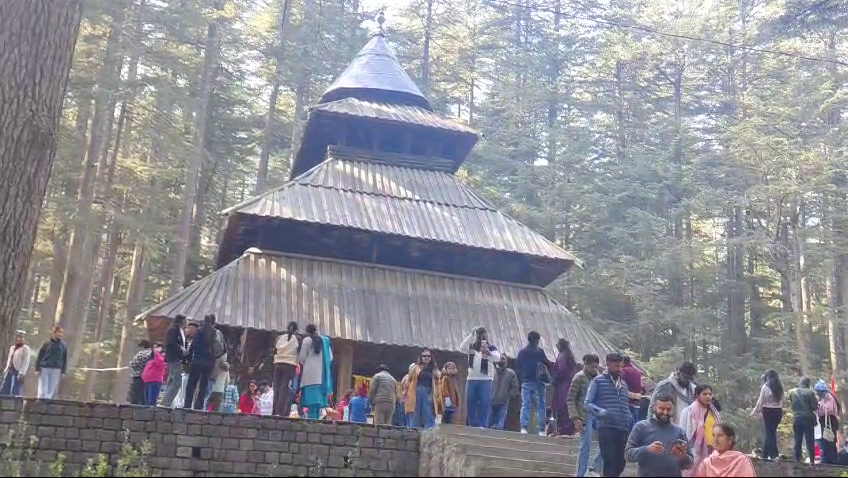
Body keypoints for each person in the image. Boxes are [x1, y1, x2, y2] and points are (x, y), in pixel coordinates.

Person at [585, 352, 632, 478]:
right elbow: (587, 403)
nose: (620, 369)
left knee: (621, 463)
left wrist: (628, 418)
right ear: (608, 364)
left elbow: (626, 404)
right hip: (606, 427)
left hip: (622, 428)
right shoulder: (597, 381)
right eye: (616, 366)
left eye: (621, 366)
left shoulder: (624, 384)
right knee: (609, 461)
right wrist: (600, 412)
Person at [625, 395, 693, 477]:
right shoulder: (641, 427)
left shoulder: (680, 431)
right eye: (661, 409)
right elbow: (628, 455)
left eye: (669, 409)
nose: (665, 412)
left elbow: (690, 464)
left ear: (673, 410)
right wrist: (646, 449)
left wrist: (683, 457)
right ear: (654, 408)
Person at [568, 354, 603, 477]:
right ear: (586, 365)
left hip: (597, 416)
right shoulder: (579, 378)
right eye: (592, 366)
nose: (594, 368)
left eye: (596, 366)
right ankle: (580, 474)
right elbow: (570, 399)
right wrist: (575, 418)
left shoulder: (599, 378)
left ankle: (593, 468)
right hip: (584, 416)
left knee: (606, 443)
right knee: (586, 446)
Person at [460, 327, 501, 427]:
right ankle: (472, 424)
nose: (481, 337)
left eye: (483, 335)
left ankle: (483, 424)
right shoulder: (471, 347)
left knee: (484, 403)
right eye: (479, 335)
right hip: (471, 379)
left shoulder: (491, 347)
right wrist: (471, 334)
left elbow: (497, 358)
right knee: (470, 403)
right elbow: (462, 347)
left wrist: (489, 353)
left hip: (485, 380)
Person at [679, 384, 721, 476]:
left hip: (712, 449)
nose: (708, 396)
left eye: (710, 394)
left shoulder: (714, 413)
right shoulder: (688, 411)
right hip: (694, 450)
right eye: (704, 394)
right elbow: (682, 431)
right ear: (697, 395)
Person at [516, 331, 550, 435]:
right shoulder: (539, 352)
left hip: (526, 381)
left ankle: (524, 427)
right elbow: (547, 364)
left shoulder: (522, 352)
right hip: (538, 382)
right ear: (536, 340)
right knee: (541, 405)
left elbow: (518, 366)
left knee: (525, 405)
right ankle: (541, 429)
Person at [298, 324, 333, 420]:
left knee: (311, 404)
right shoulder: (325, 341)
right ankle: (316, 420)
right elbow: (330, 358)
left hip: (309, 377)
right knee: (318, 404)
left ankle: (311, 421)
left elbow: (301, 358)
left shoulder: (307, 341)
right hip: (322, 378)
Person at [183, 315, 216, 409]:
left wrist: (188, 358)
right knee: (203, 385)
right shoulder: (214, 332)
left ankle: (187, 404)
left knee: (191, 383)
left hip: (198, 360)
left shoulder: (200, 331)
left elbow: (194, 345)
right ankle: (199, 405)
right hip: (209, 362)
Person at [750, 369, 783, 460]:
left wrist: (755, 411)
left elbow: (761, 401)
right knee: (770, 432)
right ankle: (765, 454)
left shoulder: (766, 387)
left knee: (770, 433)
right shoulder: (780, 387)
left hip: (768, 411)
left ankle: (774, 455)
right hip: (778, 411)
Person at [405, 349, 442, 428]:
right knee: (415, 412)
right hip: (416, 391)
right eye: (424, 356)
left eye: (429, 356)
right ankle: (414, 429)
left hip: (429, 392)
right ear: (421, 357)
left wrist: (437, 396)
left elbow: (438, 384)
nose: (427, 358)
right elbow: (409, 381)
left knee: (428, 412)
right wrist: (405, 393)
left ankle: (430, 431)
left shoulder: (434, 370)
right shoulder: (416, 368)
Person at [789, 376, 818, 464]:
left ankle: (797, 459)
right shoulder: (810, 393)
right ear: (808, 384)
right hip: (808, 419)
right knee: (810, 440)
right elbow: (814, 407)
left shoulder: (792, 392)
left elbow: (792, 404)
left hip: (797, 418)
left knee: (798, 440)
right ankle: (812, 460)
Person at [552, 338, 577, 436]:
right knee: (567, 407)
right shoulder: (569, 356)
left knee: (562, 407)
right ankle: (568, 428)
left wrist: (555, 378)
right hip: (569, 383)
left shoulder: (562, 356)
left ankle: (563, 429)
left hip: (563, 385)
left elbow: (561, 369)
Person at [273, 321, 299, 416]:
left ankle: (274, 411)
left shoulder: (279, 338)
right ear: (296, 330)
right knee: (285, 388)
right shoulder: (297, 339)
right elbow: (299, 353)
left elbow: (274, 350)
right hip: (289, 365)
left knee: (277, 388)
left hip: (278, 364)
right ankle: (281, 412)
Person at [35, 326, 67, 400]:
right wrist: (37, 369)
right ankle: (41, 401)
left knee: (51, 389)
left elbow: (64, 359)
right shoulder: (46, 344)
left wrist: (63, 371)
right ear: (54, 333)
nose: (60, 334)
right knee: (43, 388)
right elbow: (40, 356)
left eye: (61, 333)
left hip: (56, 369)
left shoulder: (63, 345)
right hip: (45, 368)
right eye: (59, 332)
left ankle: (47, 403)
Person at [162, 315, 187, 407]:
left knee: (172, 380)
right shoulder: (173, 330)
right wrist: (180, 348)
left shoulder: (180, 331)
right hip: (173, 358)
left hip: (177, 357)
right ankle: (167, 402)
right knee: (177, 381)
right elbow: (171, 342)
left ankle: (166, 401)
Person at [814, 379, 840, 464]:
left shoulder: (828, 397)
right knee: (826, 439)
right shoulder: (822, 398)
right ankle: (829, 458)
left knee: (829, 439)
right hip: (824, 421)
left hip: (829, 420)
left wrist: (818, 407)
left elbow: (827, 409)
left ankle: (829, 459)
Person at [489, 355, 519, 430]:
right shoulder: (494, 372)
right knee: (489, 422)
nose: (501, 360)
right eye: (500, 359)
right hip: (492, 399)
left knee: (500, 424)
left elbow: (515, 387)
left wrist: (508, 395)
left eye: (503, 359)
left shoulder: (511, 373)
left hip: (503, 401)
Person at [2, 331, 31, 397]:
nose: (20, 339)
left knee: (15, 388)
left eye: (22, 337)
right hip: (10, 369)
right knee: (5, 387)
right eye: (19, 337)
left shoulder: (25, 348)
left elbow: (25, 362)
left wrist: (22, 373)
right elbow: (9, 359)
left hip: (18, 370)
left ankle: (16, 403)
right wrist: (6, 369)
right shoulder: (12, 348)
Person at [621, 356, 644, 426]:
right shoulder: (636, 371)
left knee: (628, 426)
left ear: (623, 362)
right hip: (637, 402)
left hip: (628, 402)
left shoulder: (625, 371)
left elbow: (620, 385)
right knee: (635, 424)